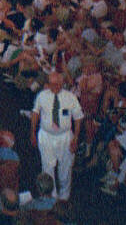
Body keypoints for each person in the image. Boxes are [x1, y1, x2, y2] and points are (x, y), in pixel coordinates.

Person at [30, 72, 83, 203]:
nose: (55, 87)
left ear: (62, 83)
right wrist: (32, 132)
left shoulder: (71, 97)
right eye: (52, 84)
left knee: (65, 168)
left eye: (58, 84)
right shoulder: (42, 96)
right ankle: (51, 197)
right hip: (46, 136)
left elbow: (78, 118)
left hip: (65, 137)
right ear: (48, 84)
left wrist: (75, 138)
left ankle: (64, 197)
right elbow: (35, 113)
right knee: (47, 167)